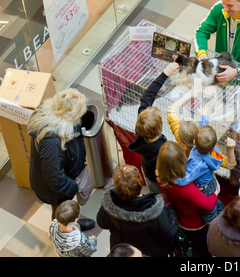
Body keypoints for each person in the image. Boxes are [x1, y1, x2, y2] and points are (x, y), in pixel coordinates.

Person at [27, 88, 94, 230]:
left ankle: (69, 223)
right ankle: (64, 230)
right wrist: (73, 187)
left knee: (64, 208)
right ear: (69, 116)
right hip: (53, 188)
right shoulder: (52, 141)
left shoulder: (55, 114)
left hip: (61, 176)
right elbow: (54, 178)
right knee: (62, 209)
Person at [96, 164, 178, 257]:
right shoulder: (154, 207)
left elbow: (101, 222)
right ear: (140, 182)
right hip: (152, 252)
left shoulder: (110, 203)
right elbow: (170, 233)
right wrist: (171, 212)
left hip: (122, 251)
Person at [156, 141, 220, 257]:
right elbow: (208, 204)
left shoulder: (161, 178)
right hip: (196, 224)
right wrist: (215, 193)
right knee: (202, 249)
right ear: (182, 160)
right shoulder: (185, 188)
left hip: (181, 219)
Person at [128, 61, 180, 191]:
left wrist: (165, 74)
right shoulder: (162, 149)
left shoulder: (141, 125)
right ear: (161, 126)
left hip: (147, 171)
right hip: (160, 181)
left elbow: (147, 97)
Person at [176, 125, 236, 224]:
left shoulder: (197, 162)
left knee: (209, 214)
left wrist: (174, 177)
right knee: (217, 203)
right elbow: (206, 135)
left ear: (194, 142)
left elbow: (184, 179)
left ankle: (217, 226)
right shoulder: (214, 152)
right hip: (211, 181)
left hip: (204, 190)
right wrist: (204, 117)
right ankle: (223, 212)